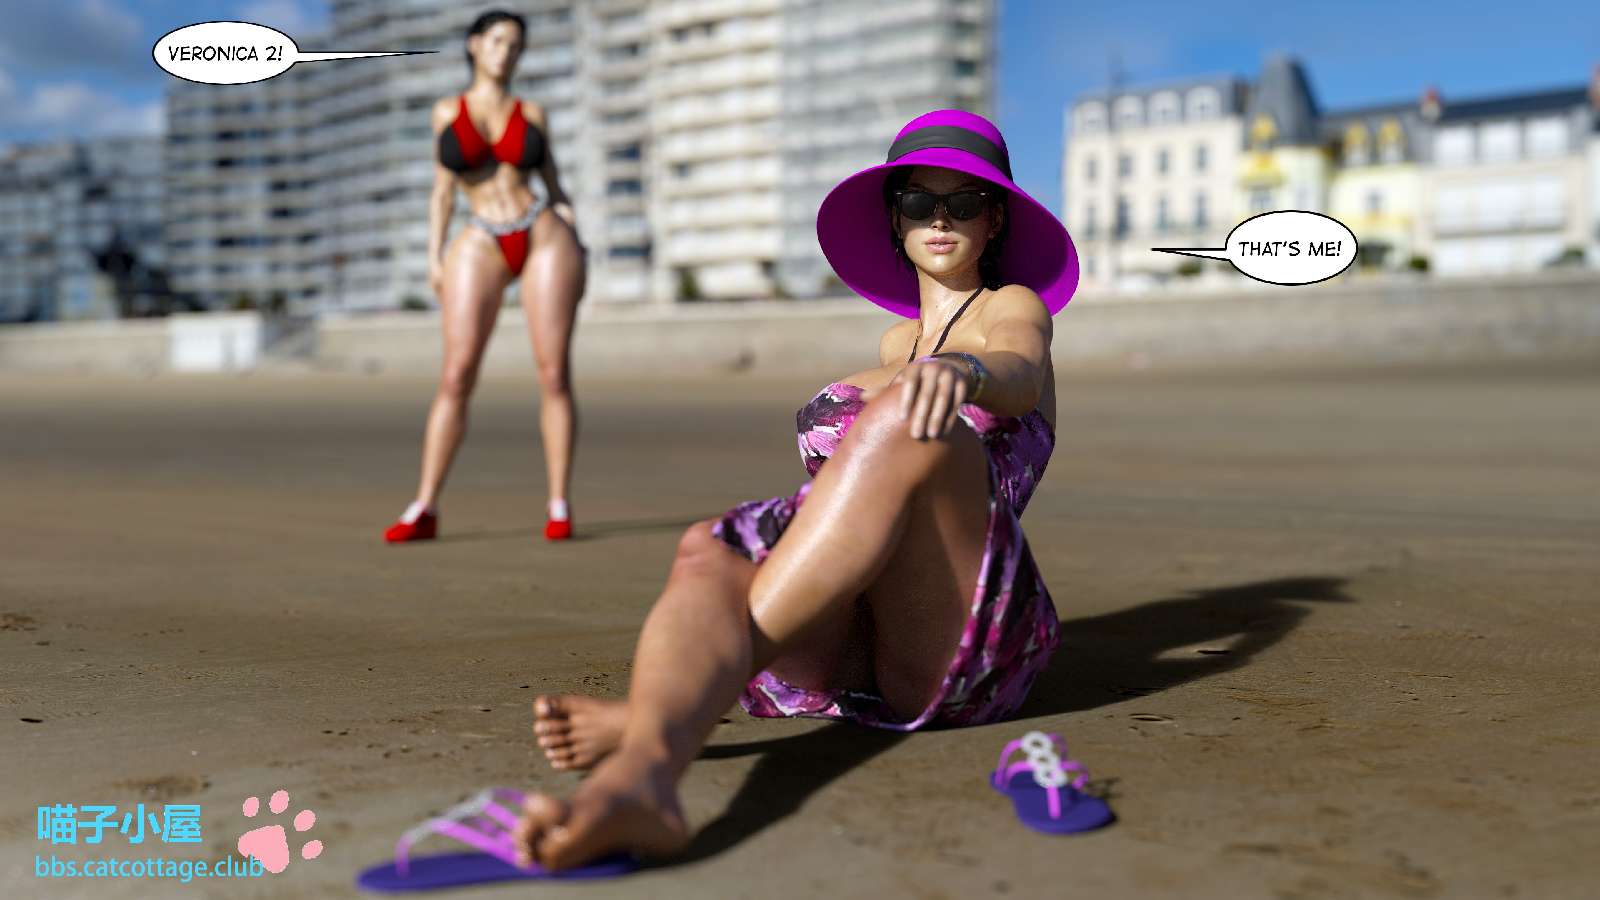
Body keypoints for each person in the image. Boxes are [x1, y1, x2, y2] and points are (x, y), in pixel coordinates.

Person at [515, 109, 1080, 867]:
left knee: (902, 423)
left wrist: (964, 371)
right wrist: (920, 367)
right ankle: (644, 775)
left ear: (995, 217)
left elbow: (1018, 370)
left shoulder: (1012, 310)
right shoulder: (896, 343)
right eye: (919, 202)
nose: (940, 220)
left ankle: (659, 717)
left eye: (965, 203)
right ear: (895, 218)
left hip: (960, 633)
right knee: (709, 551)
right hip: (851, 638)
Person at [384, 9, 587, 544]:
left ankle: (559, 503)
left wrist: (577, 235)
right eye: (498, 41)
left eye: (516, 45)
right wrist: (433, 257)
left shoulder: (532, 112)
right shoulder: (447, 111)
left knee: (553, 374)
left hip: (542, 233)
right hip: (478, 238)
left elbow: (555, 186)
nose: (506, 52)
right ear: (474, 44)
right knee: (456, 375)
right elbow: (442, 192)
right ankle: (425, 505)